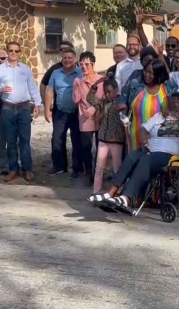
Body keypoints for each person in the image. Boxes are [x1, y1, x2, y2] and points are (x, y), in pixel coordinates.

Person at [91, 88, 179, 209]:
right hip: (150, 149)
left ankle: (126, 198)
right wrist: (143, 137)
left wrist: (173, 115)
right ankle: (110, 193)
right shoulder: (160, 115)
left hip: (168, 155)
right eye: (174, 98)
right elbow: (144, 127)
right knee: (131, 157)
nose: (175, 101)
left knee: (146, 160)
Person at [0, 41, 43, 183]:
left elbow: (32, 86)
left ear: (20, 53)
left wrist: (38, 104)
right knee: (10, 140)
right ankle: (13, 169)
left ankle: (27, 169)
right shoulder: (0, 70)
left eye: (16, 51)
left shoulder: (25, 69)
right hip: (7, 108)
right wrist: (1, 90)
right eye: (11, 51)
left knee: (25, 140)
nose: (13, 53)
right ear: (7, 52)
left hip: (24, 108)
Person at [45, 48, 84, 178]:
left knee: (77, 141)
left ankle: (77, 168)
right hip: (60, 112)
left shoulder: (80, 73)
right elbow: (49, 90)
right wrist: (46, 110)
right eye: (65, 58)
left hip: (76, 112)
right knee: (57, 139)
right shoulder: (56, 73)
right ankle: (59, 166)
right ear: (62, 59)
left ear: (75, 59)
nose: (67, 60)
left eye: (70, 58)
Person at [119, 59, 175, 151]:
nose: (146, 74)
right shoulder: (135, 84)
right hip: (135, 135)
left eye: (150, 73)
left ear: (158, 74)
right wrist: (123, 116)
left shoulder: (167, 87)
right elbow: (122, 100)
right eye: (145, 71)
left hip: (159, 139)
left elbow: (175, 109)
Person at [89, 78, 125, 198]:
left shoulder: (121, 102)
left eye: (110, 91)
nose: (108, 94)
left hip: (116, 140)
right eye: (106, 92)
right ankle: (96, 191)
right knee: (99, 167)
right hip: (103, 139)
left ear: (116, 90)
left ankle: (117, 192)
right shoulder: (104, 102)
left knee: (117, 168)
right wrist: (95, 84)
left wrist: (123, 107)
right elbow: (90, 99)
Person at [73, 51, 104, 186]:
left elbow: (104, 98)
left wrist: (95, 108)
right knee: (86, 147)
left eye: (87, 64)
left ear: (92, 64)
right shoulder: (78, 80)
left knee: (100, 146)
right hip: (84, 117)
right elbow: (75, 100)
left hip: (99, 116)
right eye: (81, 64)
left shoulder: (101, 80)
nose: (84, 67)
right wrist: (78, 84)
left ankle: (99, 173)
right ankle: (88, 173)